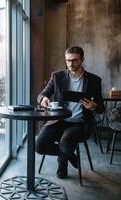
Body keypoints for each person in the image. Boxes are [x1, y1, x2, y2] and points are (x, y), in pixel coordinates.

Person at [36, 46, 104, 179]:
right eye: (68, 61)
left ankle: (62, 165)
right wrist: (43, 99)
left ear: (82, 59)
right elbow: (42, 94)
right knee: (39, 146)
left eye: (75, 60)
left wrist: (94, 106)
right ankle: (70, 155)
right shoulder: (57, 76)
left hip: (79, 123)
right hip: (58, 121)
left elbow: (101, 108)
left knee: (66, 140)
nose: (71, 64)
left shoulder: (94, 81)